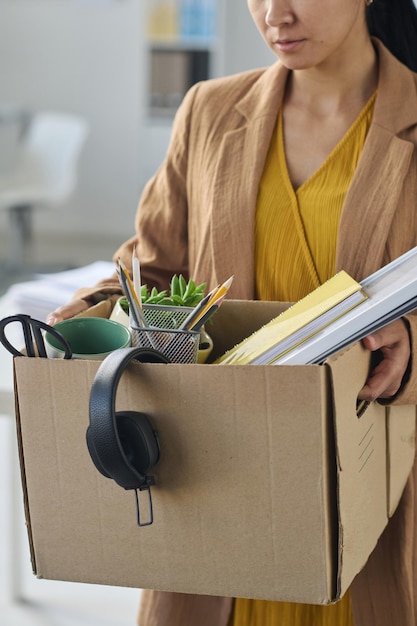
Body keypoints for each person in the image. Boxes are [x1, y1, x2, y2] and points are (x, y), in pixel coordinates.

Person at [47, 0, 417, 624]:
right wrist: (84, 317)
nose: (275, 13)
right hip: (221, 483)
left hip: (371, 493)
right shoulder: (210, 111)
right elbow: (153, 272)